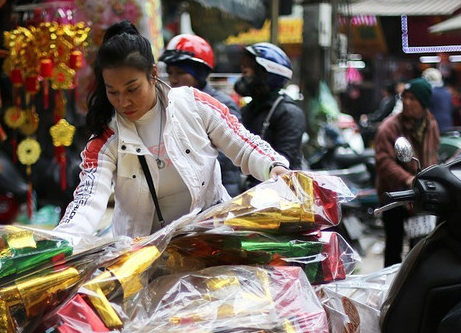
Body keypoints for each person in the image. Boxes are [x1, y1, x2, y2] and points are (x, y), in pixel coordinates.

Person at [55, 21, 290, 239]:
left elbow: (243, 144)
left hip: (210, 238)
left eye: (132, 89)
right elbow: (88, 199)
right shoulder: (107, 137)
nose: (123, 101)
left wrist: (275, 168)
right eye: (112, 92)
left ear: (153, 74)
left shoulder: (193, 104)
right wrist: (64, 239)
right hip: (143, 252)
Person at [159, 33, 245, 196]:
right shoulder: (170, 103)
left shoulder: (222, 105)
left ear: (199, 73)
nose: (173, 79)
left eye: (180, 72)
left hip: (221, 193)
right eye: (170, 72)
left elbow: (229, 154)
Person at [373, 77, 440, 267]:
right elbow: (384, 162)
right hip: (395, 195)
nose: (407, 103)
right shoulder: (389, 127)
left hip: (419, 194)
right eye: (405, 98)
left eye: (413, 99)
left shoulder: (431, 123)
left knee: (420, 248)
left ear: (424, 102)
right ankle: (391, 283)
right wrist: (408, 179)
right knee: (393, 247)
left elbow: (433, 153)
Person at [237, 43, 306, 169]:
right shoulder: (247, 110)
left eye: (247, 70)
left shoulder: (289, 113)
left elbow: (283, 163)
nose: (243, 77)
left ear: (264, 73)